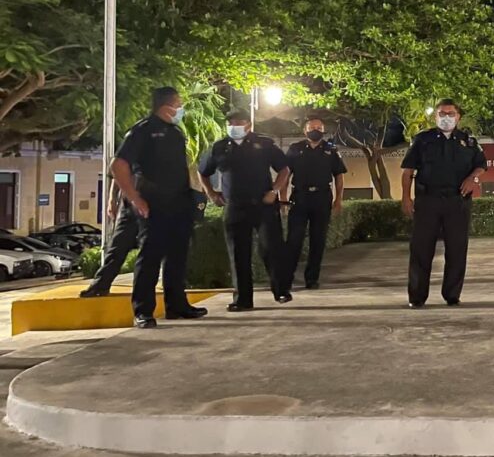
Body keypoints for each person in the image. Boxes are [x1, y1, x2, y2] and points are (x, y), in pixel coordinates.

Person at [110, 86, 208, 329]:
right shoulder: (143, 130)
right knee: (150, 257)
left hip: (179, 203)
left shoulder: (174, 131)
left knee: (177, 257)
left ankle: (177, 306)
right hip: (153, 204)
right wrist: (134, 198)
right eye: (179, 103)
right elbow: (119, 165)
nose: (181, 108)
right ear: (169, 105)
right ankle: (143, 311)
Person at [199, 110, 291, 310]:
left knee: (271, 248)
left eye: (238, 122)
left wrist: (275, 190)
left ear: (248, 125)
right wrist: (211, 194)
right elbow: (203, 172)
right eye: (230, 122)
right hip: (235, 206)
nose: (234, 125)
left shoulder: (264, 144)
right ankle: (242, 299)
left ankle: (281, 291)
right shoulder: (219, 147)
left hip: (263, 204)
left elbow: (284, 169)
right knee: (238, 253)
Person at [400, 99, 487, 308]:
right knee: (421, 250)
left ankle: (452, 295)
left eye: (450, 113)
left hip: (457, 202)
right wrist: (405, 197)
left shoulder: (469, 142)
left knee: (457, 250)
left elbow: (481, 166)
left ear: (458, 116)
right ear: (435, 116)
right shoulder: (422, 140)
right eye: (442, 113)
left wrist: (472, 178)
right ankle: (417, 297)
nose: (446, 117)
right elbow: (408, 171)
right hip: (428, 200)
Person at [282, 117, 346, 291]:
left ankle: (312, 279)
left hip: (322, 197)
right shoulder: (295, 149)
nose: (315, 130)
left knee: (318, 241)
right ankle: (286, 279)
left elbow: (339, 176)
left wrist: (338, 199)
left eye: (319, 127)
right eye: (312, 127)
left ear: (323, 130)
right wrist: (283, 198)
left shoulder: (331, 150)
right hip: (300, 197)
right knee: (294, 240)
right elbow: (285, 174)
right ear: (305, 130)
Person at [78, 177, 139, 298]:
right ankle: (100, 285)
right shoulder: (128, 158)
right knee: (117, 247)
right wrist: (112, 199)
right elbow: (117, 173)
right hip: (129, 206)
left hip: (153, 205)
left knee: (152, 253)